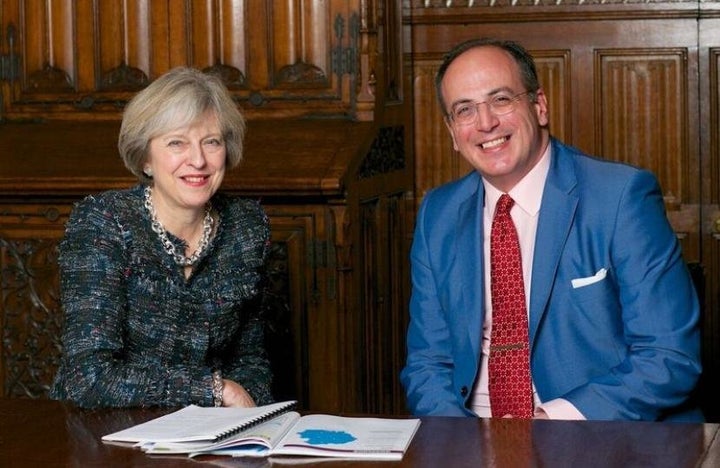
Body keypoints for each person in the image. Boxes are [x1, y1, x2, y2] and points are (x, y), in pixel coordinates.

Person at [400, 38, 702, 421]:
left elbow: (669, 357)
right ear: (452, 132)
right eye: (465, 110)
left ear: (539, 106)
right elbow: (428, 364)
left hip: (590, 434)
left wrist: (545, 425)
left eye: (501, 100)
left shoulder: (619, 197)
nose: (486, 123)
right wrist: (466, 442)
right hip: (471, 437)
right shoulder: (437, 214)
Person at [50, 67, 274, 409]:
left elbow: (251, 360)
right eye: (176, 143)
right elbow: (88, 378)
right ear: (145, 158)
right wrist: (214, 391)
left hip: (207, 434)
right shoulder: (104, 223)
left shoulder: (247, 226)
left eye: (211, 142)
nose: (198, 160)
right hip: (105, 433)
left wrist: (250, 423)